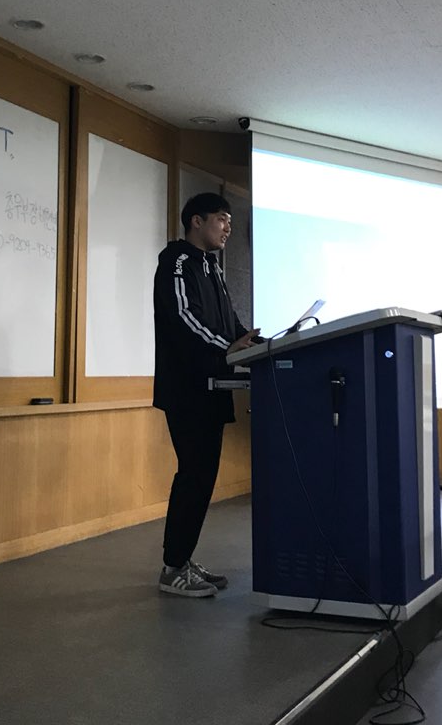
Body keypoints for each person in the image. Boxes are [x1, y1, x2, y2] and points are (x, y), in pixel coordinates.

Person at [153, 192, 260, 597]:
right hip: (188, 389)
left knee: (202, 478)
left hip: (213, 387)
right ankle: (172, 568)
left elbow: (229, 322)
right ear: (196, 221)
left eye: (229, 220)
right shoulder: (177, 261)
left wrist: (253, 343)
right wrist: (227, 349)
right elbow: (184, 318)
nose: (228, 227)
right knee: (193, 476)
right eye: (221, 218)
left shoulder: (211, 266)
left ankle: (182, 560)